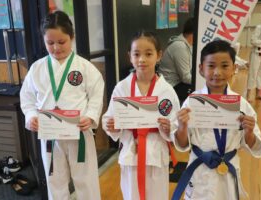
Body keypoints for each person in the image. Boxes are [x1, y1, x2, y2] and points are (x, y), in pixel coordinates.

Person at [20, 11, 104, 200]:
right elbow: (27, 98)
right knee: (54, 181)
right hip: (50, 135)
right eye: (50, 43)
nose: (56, 48)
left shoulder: (85, 67)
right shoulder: (37, 68)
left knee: (86, 180)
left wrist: (90, 116)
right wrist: (31, 116)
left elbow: (97, 95)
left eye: (61, 42)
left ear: (72, 38)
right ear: (44, 40)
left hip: (79, 133)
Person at [171, 40, 261, 200]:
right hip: (200, 169)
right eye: (211, 66)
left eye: (224, 66)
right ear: (201, 69)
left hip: (228, 168)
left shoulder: (241, 104)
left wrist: (249, 132)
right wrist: (182, 127)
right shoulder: (192, 102)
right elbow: (182, 143)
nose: (217, 72)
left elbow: (253, 145)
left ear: (234, 68)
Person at [102, 30, 180, 200]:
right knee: (131, 195)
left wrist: (169, 128)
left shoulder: (167, 90)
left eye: (148, 54)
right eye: (136, 54)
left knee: (157, 195)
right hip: (131, 152)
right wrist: (112, 125)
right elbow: (109, 117)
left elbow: (176, 124)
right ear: (129, 56)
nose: (142, 59)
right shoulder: (121, 88)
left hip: (156, 154)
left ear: (159, 55)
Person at [158, 17, 194, 104]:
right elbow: (185, 78)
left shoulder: (188, 45)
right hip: (170, 85)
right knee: (198, 91)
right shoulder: (180, 47)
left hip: (178, 82)